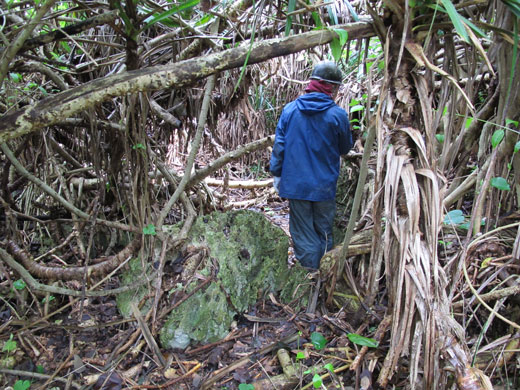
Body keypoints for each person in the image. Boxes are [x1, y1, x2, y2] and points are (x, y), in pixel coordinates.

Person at [270, 61, 353, 270]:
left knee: (303, 233)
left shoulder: (290, 111)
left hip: (296, 185)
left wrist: (276, 174)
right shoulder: (338, 115)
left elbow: (280, 146)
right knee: (324, 231)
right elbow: (345, 148)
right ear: (332, 88)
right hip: (324, 186)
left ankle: (309, 277)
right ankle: (325, 275)